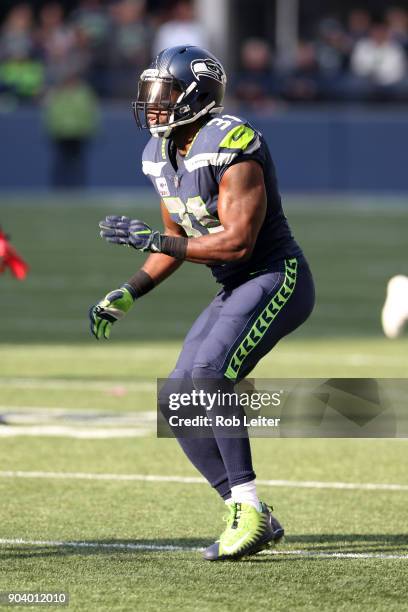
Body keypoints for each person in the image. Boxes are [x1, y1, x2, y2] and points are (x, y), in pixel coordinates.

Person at [89, 45, 315, 560]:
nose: (153, 104)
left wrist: (154, 241)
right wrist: (127, 292)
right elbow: (174, 238)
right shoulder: (158, 153)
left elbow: (235, 242)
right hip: (235, 286)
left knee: (211, 370)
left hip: (276, 276)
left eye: (164, 94)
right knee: (175, 399)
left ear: (196, 96)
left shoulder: (233, 143)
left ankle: (250, 509)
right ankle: (241, 506)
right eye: (151, 93)